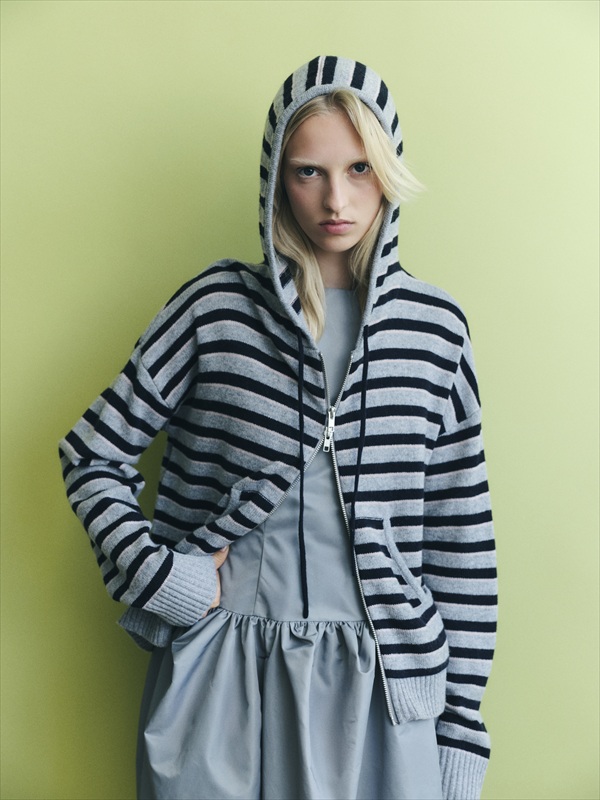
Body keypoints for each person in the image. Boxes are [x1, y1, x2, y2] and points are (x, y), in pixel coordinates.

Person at [59, 56, 497, 800]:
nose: (336, 199)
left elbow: (462, 547)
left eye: (360, 168)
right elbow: (92, 457)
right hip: (219, 678)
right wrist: (166, 579)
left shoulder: (435, 331)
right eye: (308, 172)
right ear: (275, 178)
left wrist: (459, 734)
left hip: (382, 689)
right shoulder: (215, 308)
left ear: (389, 170)